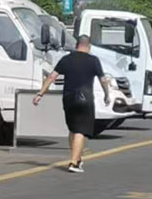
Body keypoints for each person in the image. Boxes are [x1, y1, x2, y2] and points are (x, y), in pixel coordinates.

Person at [33, 35, 111, 173]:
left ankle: (78, 157)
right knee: (81, 130)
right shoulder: (93, 60)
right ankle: (73, 163)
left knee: (73, 129)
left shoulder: (66, 59)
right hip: (84, 98)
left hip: (68, 98)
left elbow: (51, 77)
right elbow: (103, 80)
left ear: (77, 45)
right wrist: (106, 94)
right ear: (89, 46)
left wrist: (40, 93)